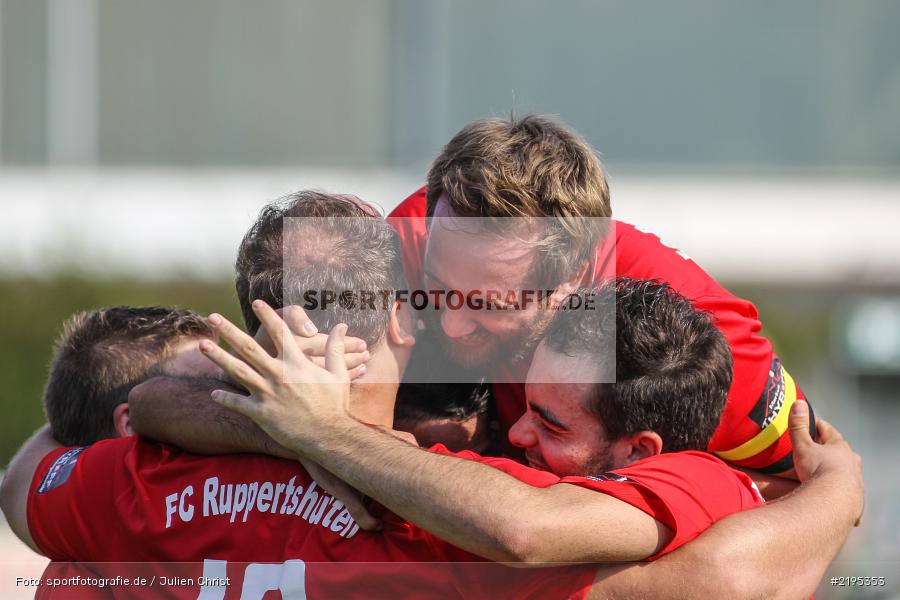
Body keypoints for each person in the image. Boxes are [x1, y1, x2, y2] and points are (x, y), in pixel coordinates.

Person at [388, 114, 811, 476]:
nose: (450, 322)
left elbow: (812, 494)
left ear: (573, 276)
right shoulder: (421, 230)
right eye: (438, 289)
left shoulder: (695, 343)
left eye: (488, 304)